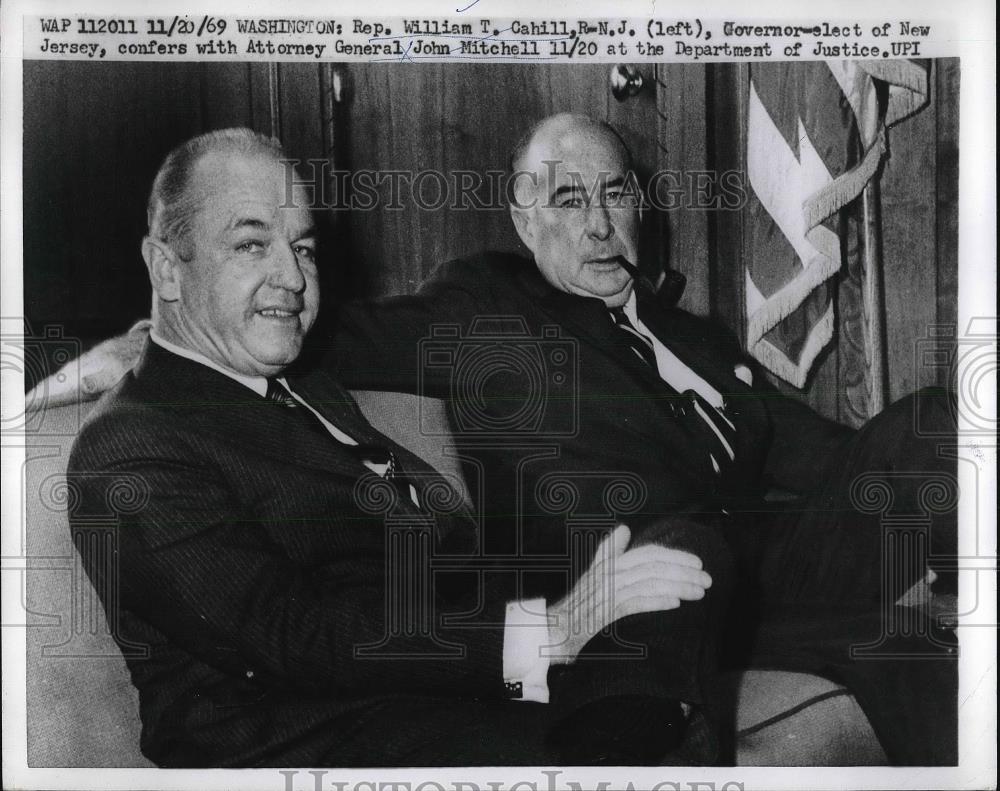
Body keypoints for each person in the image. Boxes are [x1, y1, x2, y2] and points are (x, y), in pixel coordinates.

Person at [66, 128, 720, 768]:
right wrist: (544, 633)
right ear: (165, 268)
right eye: (251, 245)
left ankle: (612, 730)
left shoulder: (299, 379)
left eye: (304, 249)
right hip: (322, 738)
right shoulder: (131, 444)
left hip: (450, 678)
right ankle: (613, 743)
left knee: (683, 544)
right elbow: (296, 633)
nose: (292, 278)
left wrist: (577, 607)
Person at [328, 113, 959, 765]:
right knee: (709, 559)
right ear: (524, 221)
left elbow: (824, 455)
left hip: (760, 579)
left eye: (615, 193)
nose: (599, 224)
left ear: (639, 203)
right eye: (569, 200)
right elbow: (331, 339)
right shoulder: (488, 303)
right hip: (631, 597)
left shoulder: (696, 338)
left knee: (929, 429)